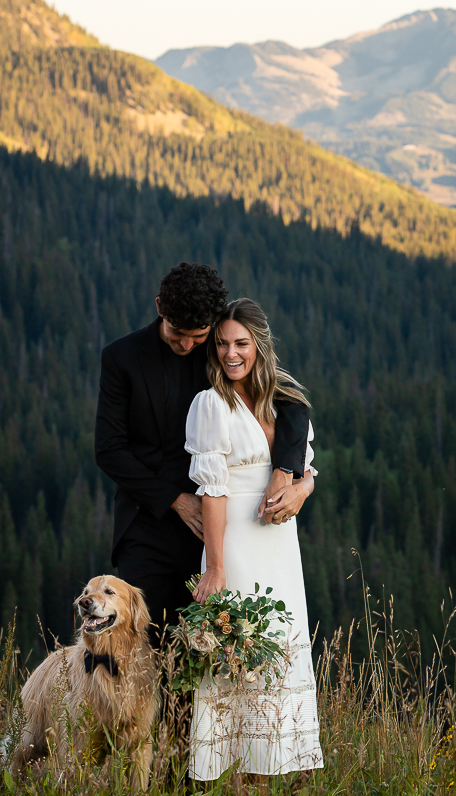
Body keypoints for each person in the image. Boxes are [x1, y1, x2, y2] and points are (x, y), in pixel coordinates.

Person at [94, 263, 310, 646]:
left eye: (198, 336)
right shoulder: (122, 357)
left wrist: (289, 470)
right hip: (147, 523)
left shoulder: (221, 347)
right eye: (179, 335)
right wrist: (176, 500)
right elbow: (109, 450)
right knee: (139, 644)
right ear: (160, 307)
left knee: (206, 652)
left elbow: (287, 400)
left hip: (218, 526)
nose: (188, 346)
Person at [185, 298, 323, 784]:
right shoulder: (211, 403)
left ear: (260, 346)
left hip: (281, 549)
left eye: (241, 343)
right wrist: (216, 567)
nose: (230, 354)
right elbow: (213, 490)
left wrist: (302, 489)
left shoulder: (285, 402)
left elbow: (307, 472)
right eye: (222, 344)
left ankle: (273, 770)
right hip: (236, 543)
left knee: (280, 649)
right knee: (236, 656)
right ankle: (229, 776)